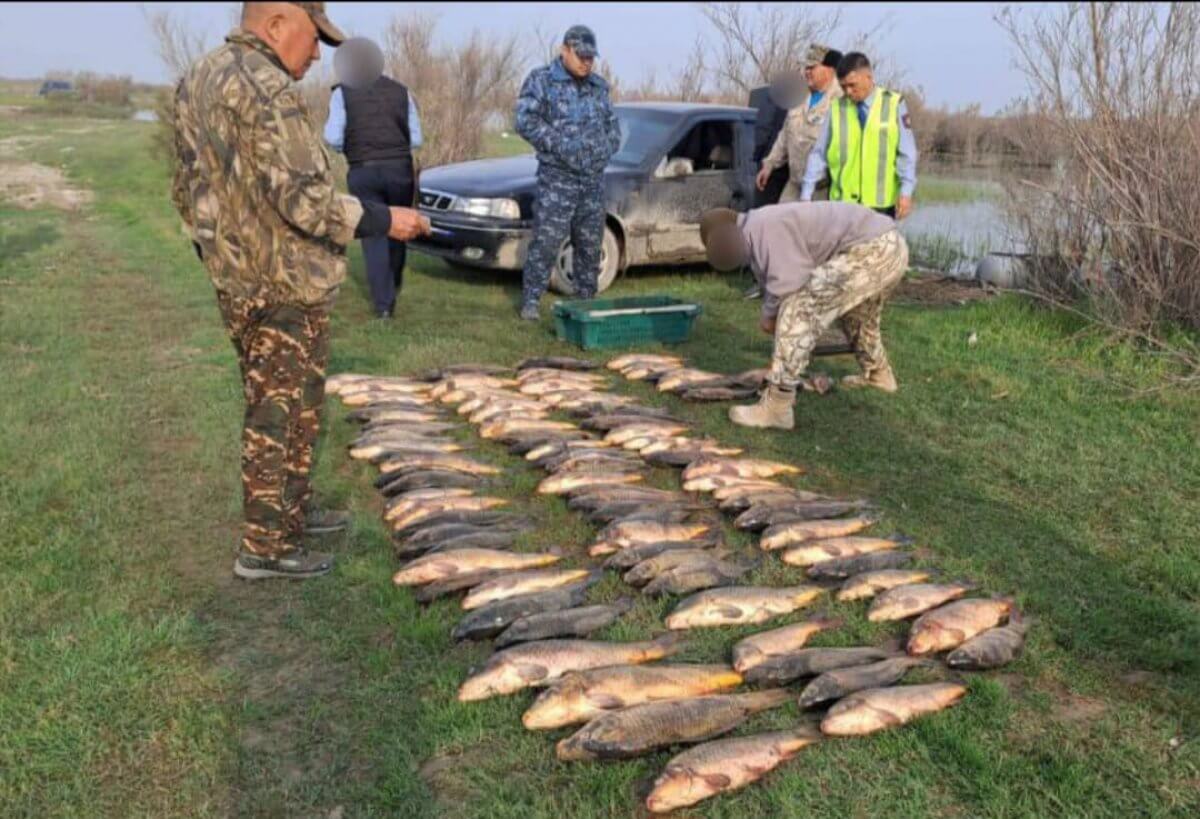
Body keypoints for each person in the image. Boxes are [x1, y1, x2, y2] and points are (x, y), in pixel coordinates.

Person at [170, 1, 430, 579]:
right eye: (314, 40)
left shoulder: (198, 78)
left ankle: (289, 516)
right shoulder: (268, 90)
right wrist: (386, 219)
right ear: (277, 24)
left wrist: (216, 252)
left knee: (290, 407)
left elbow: (186, 188)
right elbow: (307, 202)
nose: (317, 55)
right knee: (280, 416)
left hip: (237, 280)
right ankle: (265, 549)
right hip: (284, 283)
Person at [700, 203, 909, 430]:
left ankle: (777, 407)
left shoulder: (764, 227)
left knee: (797, 308)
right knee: (858, 317)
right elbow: (773, 277)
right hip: (889, 245)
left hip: (873, 248)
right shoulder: (758, 227)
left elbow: (789, 282)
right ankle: (879, 375)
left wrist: (770, 315)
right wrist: (772, 313)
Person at [514, 24, 621, 321]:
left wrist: (606, 148)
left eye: (591, 57)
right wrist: (560, 145)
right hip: (557, 179)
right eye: (581, 56)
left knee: (589, 244)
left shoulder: (599, 87)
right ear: (565, 51)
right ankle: (531, 302)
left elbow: (613, 127)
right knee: (546, 243)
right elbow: (524, 121)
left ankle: (585, 303)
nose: (586, 62)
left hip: (592, 181)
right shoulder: (542, 81)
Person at [324, 37, 423, 319]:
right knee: (400, 226)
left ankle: (383, 305)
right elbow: (417, 138)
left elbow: (331, 136)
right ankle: (395, 284)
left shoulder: (342, 93)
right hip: (400, 169)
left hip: (364, 170)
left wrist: (352, 148)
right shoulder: (401, 91)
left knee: (375, 232)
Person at [798, 52, 918, 220]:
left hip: (881, 206)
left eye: (852, 85)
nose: (848, 91)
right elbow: (819, 153)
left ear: (868, 77)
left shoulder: (894, 104)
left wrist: (906, 192)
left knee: (877, 247)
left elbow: (907, 153)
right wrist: (806, 194)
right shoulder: (836, 108)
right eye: (843, 86)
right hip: (842, 205)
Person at [756, 44, 844, 203]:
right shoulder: (800, 96)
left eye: (812, 67)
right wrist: (769, 165)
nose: (807, 72)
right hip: (795, 184)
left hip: (822, 191)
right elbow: (784, 136)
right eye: (806, 68)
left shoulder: (841, 101)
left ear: (829, 70)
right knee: (782, 223)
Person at [747, 83, 788, 208]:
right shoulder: (805, 99)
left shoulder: (774, 96)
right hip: (791, 165)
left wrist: (757, 155)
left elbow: (763, 129)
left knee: (763, 212)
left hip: (771, 162)